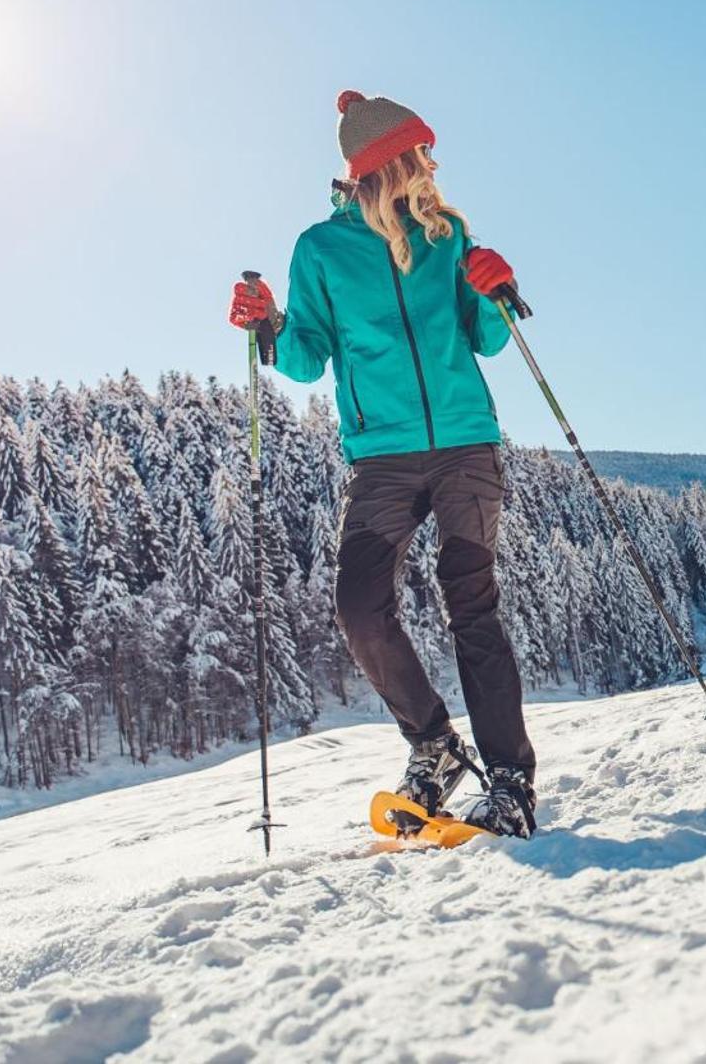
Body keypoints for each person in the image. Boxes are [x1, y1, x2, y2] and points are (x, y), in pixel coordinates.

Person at [227, 90, 535, 836]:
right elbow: (304, 358)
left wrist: (497, 289)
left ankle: (509, 780)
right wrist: (268, 322)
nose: (432, 166)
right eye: (420, 153)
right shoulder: (321, 250)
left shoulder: (448, 235)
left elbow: (485, 342)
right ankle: (433, 745)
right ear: (386, 164)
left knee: (473, 606)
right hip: (381, 457)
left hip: (464, 441)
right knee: (359, 609)